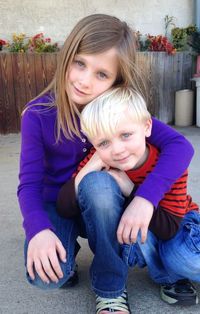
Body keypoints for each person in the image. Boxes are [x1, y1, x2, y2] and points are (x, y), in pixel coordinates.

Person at [17, 13, 195, 314]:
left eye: (102, 74)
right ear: (68, 55)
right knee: (47, 276)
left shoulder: (116, 110)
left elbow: (180, 146)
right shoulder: (38, 114)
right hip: (57, 202)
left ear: (116, 81)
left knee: (98, 185)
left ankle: (111, 288)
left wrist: (145, 199)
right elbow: (30, 184)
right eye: (80, 63)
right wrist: (38, 230)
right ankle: (66, 251)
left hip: (104, 201)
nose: (85, 81)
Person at [57, 87, 199, 312]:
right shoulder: (103, 161)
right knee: (95, 184)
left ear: (147, 127)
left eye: (125, 135)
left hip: (179, 224)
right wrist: (92, 165)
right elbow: (64, 206)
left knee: (186, 259)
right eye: (103, 143)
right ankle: (167, 274)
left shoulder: (167, 163)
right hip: (138, 236)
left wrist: (131, 189)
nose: (117, 150)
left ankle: (171, 273)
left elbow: (169, 228)